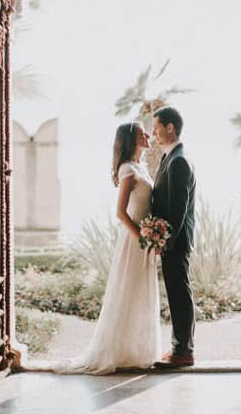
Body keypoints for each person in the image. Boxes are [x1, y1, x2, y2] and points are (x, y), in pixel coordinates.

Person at [53, 121, 161, 374]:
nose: (147, 135)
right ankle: (116, 351)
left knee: (140, 293)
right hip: (134, 242)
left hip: (144, 240)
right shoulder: (127, 170)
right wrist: (144, 238)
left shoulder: (140, 167)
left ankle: (135, 351)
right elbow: (121, 213)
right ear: (130, 140)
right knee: (128, 291)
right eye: (141, 133)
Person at [150, 106, 197, 368]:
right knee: (177, 293)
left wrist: (165, 242)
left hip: (176, 242)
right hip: (172, 240)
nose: (154, 134)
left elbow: (178, 208)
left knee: (180, 295)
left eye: (157, 129)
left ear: (170, 127)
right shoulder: (171, 157)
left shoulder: (179, 160)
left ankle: (184, 353)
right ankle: (179, 347)